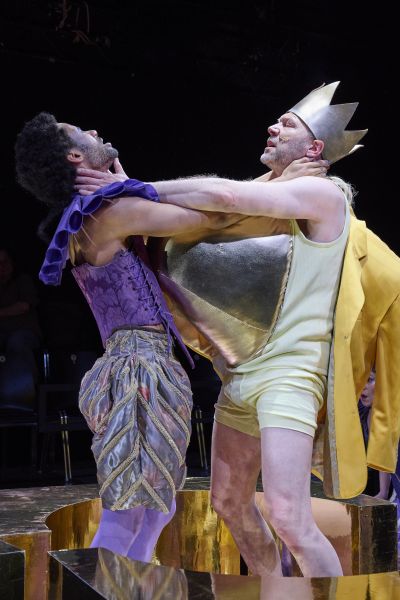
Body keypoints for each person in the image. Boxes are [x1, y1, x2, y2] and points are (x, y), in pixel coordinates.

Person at [75, 81, 400, 578]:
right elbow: (213, 211)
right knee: (228, 501)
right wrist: (129, 187)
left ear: (315, 148)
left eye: (287, 124)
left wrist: (125, 190)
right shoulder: (269, 199)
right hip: (243, 375)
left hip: (290, 375)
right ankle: (275, 587)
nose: (273, 127)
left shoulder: (323, 193)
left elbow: (223, 195)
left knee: (290, 517)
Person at [14, 112, 320, 563]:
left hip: (148, 366)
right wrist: (281, 185)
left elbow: (215, 208)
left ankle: (132, 589)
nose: (94, 130)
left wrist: (129, 184)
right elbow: (211, 216)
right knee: (128, 513)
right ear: (75, 156)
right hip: (136, 371)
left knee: (158, 509)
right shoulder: (109, 213)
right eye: (80, 132)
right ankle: (96, 589)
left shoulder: (106, 209)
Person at [0, 247, 42, 408]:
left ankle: (24, 398)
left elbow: (24, 306)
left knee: (17, 342)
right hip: (3, 334)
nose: (2, 266)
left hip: (25, 333)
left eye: (5, 261)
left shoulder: (22, 281)